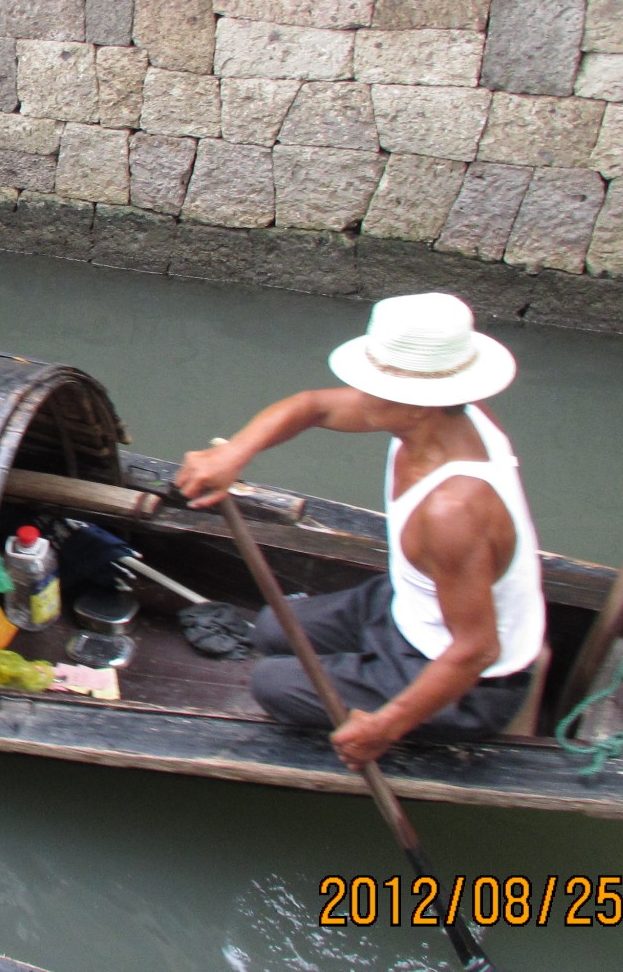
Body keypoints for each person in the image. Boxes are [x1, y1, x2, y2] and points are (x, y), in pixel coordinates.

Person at [173, 293, 544, 768]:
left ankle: (416, 709)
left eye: (373, 385)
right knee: (271, 626)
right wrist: (234, 453)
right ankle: (367, 661)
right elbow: (312, 407)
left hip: (472, 682)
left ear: (417, 405)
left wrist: (385, 726)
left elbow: (475, 649)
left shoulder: (454, 512)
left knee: (271, 684)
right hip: (408, 608)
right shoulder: (443, 419)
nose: (357, 394)